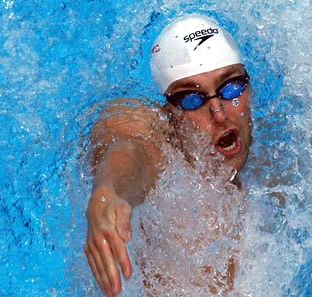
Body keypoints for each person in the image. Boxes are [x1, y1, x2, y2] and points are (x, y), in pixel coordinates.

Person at [84, 14, 252, 296]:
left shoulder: (285, 156)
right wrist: (109, 191)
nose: (219, 113)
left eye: (231, 86)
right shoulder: (159, 141)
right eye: (192, 99)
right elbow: (127, 146)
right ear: (169, 114)